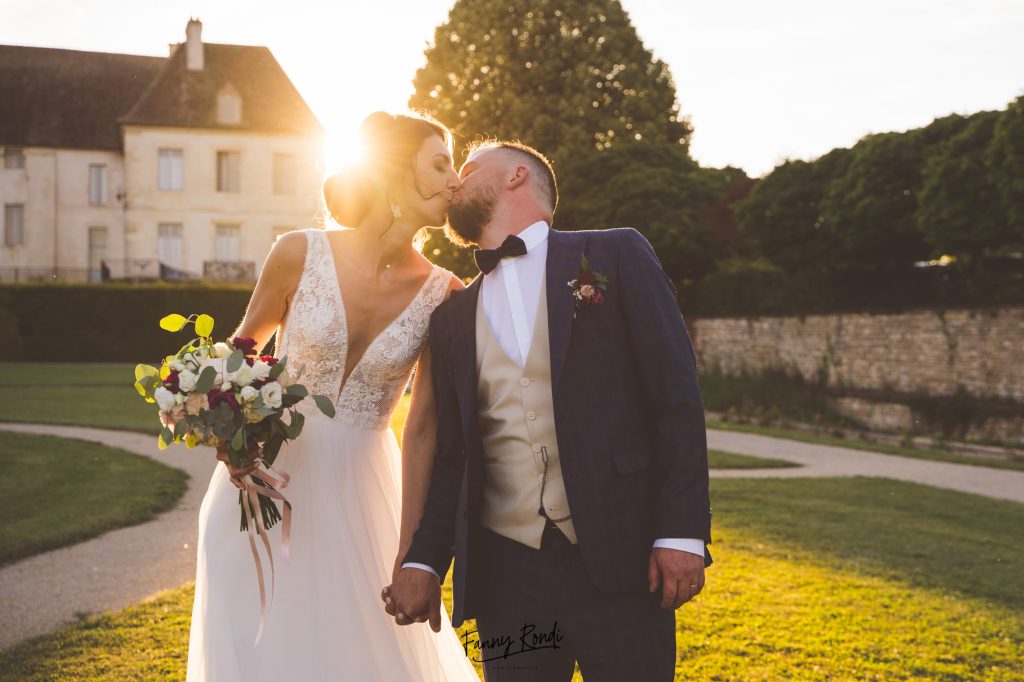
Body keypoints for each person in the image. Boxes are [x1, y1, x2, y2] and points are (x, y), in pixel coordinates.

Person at [384, 140, 713, 681]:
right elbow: (452, 456)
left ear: (517, 177)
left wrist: (681, 531)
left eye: (465, 170)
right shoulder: (450, 316)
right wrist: (423, 560)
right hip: (508, 576)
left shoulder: (613, 254)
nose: (452, 183)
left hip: (624, 557)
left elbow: (675, 400)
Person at [186, 112, 480, 682]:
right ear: (396, 171)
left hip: (364, 491)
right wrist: (228, 437)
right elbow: (243, 352)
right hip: (264, 478)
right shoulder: (298, 251)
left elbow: (423, 427)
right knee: (258, 644)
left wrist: (409, 550)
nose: (455, 182)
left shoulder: (446, 292)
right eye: (440, 164)